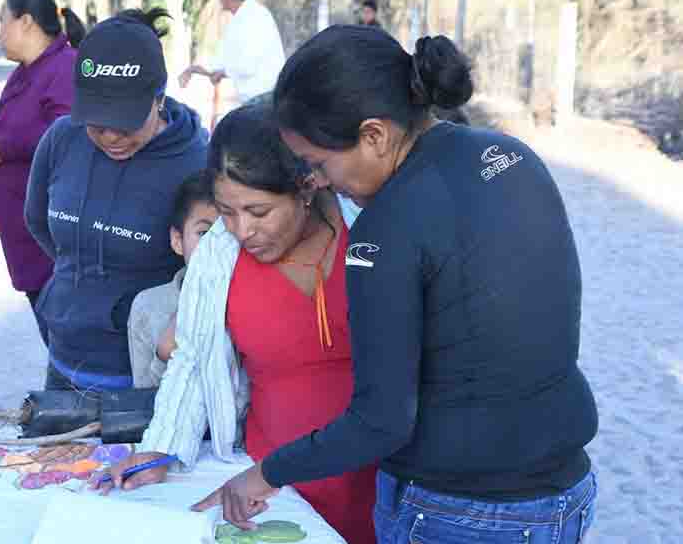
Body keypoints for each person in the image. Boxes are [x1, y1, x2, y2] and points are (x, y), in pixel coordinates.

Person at [194, 27, 600, 544]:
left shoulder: (382, 232)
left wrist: (267, 473)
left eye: (318, 163)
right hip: (564, 490)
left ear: (375, 136)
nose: (315, 183)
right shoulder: (510, 156)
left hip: (461, 509)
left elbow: (380, 422)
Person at [92, 105, 377, 544]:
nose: (242, 230)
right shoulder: (219, 254)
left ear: (307, 186)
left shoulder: (373, 231)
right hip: (267, 485)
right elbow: (192, 355)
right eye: (226, 212)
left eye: (259, 211)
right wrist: (162, 446)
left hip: (384, 481)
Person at [24, 8, 209, 391]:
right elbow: (38, 221)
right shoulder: (61, 139)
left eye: (125, 123)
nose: (111, 137)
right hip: (63, 361)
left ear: (159, 99)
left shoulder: (198, 164)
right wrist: (77, 287)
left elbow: (213, 268)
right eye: (97, 122)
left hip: (143, 376)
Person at [0, 0, 82, 353]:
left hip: (50, 238)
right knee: (50, 330)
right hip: (23, 233)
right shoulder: (26, 71)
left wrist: (2, 150)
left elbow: (63, 131)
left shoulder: (63, 67)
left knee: (66, 339)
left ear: (27, 21)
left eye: (3, 22)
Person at [127, 170, 218, 389]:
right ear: (178, 240)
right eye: (204, 233)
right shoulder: (148, 307)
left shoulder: (259, 302)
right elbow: (142, 397)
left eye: (229, 233)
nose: (218, 246)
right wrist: (164, 356)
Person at [178, 0, 286, 105]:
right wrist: (194, 69)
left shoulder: (252, 17)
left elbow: (245, 65)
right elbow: (220, 63)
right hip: (262, 101)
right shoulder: (248, 15)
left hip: (264, 102)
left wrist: (221, 72)